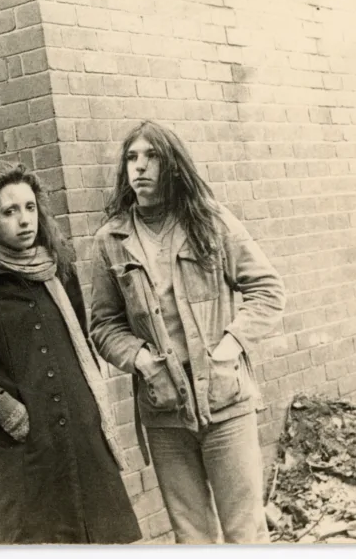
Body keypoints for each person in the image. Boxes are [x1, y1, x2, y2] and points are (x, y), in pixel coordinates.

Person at [89, 120, 286, 544]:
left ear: (173, 164)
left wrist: (230, 347)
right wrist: (141, 359)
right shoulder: (111, 240)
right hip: (164, 407)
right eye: (132, 157)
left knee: (245, 532)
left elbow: (268, 290)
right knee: (191, 536)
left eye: (152, 156)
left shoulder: (209, 222)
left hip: (225, 399)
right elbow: (103, 325)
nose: (140, 166)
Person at [0, 160, 142, 545]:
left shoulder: (59, 270)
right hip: (20, 455)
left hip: (78, 443)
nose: (24, 220)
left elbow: (79, 346)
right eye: (9, 211)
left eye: (30, 207)